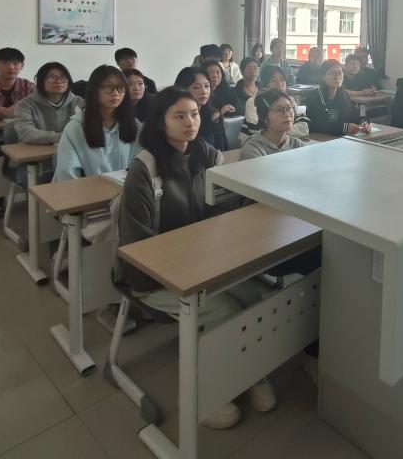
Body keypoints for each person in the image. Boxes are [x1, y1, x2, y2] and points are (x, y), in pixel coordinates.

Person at [113, 87, 278, 428]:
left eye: (194, 114)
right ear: (161, 123)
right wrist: (191, 266)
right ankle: (207, 391)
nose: (190, 122)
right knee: (224, 310)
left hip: (203, 262)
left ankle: (249, 372)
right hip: (153, 276)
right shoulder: (144, 169)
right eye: (179, 116)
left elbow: (224, 200)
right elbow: (137, 245)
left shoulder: (206, 154)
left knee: (255, 297)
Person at [53, 65, 140, 182]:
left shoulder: (133, 124)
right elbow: (68, 174)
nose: (116, 93)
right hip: (87, 191)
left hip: (125, 189)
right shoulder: (75, 128)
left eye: (121, 88)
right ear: (94, 90)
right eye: (108, 87)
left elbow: (140, 164)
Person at [13, 62, 82, 182]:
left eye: (63, 77)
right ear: (40, 81)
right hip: (35, 163)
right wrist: (61, 137)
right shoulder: (25, 105)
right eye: (52, 77)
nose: (58, 81)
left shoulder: (79, 103)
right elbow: (26, 133)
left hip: (73, 159)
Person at [244, 65, 309, 141]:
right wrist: (287, 127)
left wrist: (277, 128)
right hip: (256, 143)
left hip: (285, 142)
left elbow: (304, 127)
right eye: (274, 80)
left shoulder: (289, 100)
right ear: (265, 84)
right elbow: (256, 130)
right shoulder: (254, 102)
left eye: (282, 79)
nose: (279, 84)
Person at [304, 60, 368, 136]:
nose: (337, 77)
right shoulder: (314, 96)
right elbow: (315, 124)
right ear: (323, 77)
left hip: (341, 138)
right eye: (332, 73)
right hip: (321, 139)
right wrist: (344, 128)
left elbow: (354, 114)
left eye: (340, 73)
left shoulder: (344, 95)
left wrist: (363, 122)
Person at [240, 89, 308, 159]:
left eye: (289, 108)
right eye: (279, 110)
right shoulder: (253, 150)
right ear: (264, 117)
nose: (287, 114)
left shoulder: (296, 144)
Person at [174, 66, 226, 150]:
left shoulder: (213, 115)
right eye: (196, 87)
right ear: (182, 89)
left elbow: (221, 149)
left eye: (206, 86)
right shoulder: (173, 117)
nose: (204, 91)